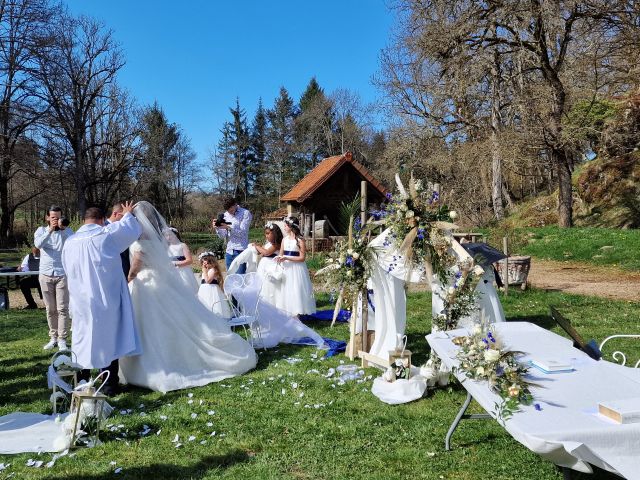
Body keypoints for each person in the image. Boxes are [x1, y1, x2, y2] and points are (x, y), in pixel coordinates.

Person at [120, 201, 256, 393]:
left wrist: (130, 276)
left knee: (151, 323)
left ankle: (153, 364)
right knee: (166, 320)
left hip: (145, 283)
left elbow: (138, 261)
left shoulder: (140, 238)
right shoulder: (157, 236)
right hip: (159, 280)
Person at [61, 203, 142, 396]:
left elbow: (66, 268)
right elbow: (130, 230)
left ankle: (82, 380)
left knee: (82, 337)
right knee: (107, 338)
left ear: (84, 221)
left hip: (80, 298)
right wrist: (128, 214)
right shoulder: (105, 235)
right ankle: (108, 384)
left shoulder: (70, 241)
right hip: (103, 297)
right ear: (100, 220)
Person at [34, 206, 73, 351]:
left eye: (58, 217)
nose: (56, 220)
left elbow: (71, 246)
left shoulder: (68, 231)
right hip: (45, 274)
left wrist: (62, 231)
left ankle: (62, 339)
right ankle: (53, 338)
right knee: (50, 309)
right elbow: (38, 245)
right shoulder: (40, 231)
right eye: (53, 217)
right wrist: (50, 230)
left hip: (62, 273)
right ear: (47, 218)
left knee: (62, 308)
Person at [276, 216, 316, 316]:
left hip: (297, 268)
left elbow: (302, 258)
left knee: (296, 288)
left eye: (286, 225)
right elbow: (281, 254)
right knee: (287, 288)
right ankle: (288, 311)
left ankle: (297, 312)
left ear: (291, 226)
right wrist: (279, 259)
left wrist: (287, 258)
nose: (284, 227)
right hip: (286, 268)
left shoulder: (300, 240)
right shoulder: (284, 240)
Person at [214, 197, 252, 274]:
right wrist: (217, 228)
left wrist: (228, 227)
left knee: (240, 278)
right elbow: (222, 236)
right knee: (231, 279)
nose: (229, 212)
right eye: (228, 211)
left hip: (241, 250)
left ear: (235, 205)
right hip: (229, 251)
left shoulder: (245, 213)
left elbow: (242, 233)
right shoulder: (225, 215)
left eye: (231, 210)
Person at [252, 222, 285, 310]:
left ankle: (272, 307)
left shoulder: (277, 244)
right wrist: (256, 248)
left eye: (268, 233)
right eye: (265, 234)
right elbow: (261, 251)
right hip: (263, 267)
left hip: (271, 267)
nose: (266, 236)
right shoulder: (268, 243)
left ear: (274, 233)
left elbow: (266, 252)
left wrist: (256, 246)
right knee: (263, 286)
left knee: (270, 287)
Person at [197, 252, 231, 319]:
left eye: (206, 262)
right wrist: (205, 271)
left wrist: (204, 271)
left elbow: (208, 281)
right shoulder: (207, 270)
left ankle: (215, 319)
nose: (204, 264)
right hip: (204, 290)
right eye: (203, 262)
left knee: (212, 303)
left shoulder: (213, 270)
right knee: (205, 303)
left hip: (212, 289)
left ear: (211, 261)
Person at [166, 227, 199, 292]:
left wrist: (175, 264)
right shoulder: (167, 247)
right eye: (167, 235)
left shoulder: (182, 245)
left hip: (182, 271)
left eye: (170, 235)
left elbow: (189, 260)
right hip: (171, 271)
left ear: (176, 235)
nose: (169, 237)